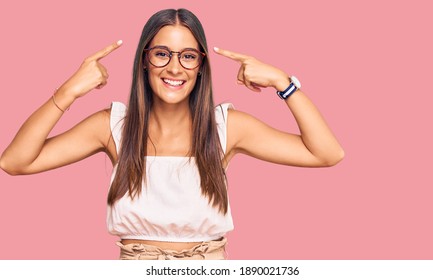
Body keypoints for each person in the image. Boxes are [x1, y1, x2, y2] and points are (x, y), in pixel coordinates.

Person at [0, 8, 344, 260]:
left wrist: (283, 83)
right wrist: (67, 92)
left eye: (188, 56)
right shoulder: (113, 125)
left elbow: (326, 153)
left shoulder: (226, 126)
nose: (175, 67)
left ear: (201, 65)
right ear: (145, 60)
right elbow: (15, 162)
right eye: (162, 54)